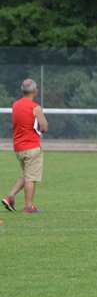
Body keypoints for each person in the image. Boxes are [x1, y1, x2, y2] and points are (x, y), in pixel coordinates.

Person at [2, 79, 48, 214]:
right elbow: (44, 127)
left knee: (26, 175)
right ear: (34, 91)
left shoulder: (15, 105)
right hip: (32, 146)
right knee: (31, 178)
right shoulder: (36, 107)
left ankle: (10, 197)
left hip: (18, 147)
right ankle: (28, 207)